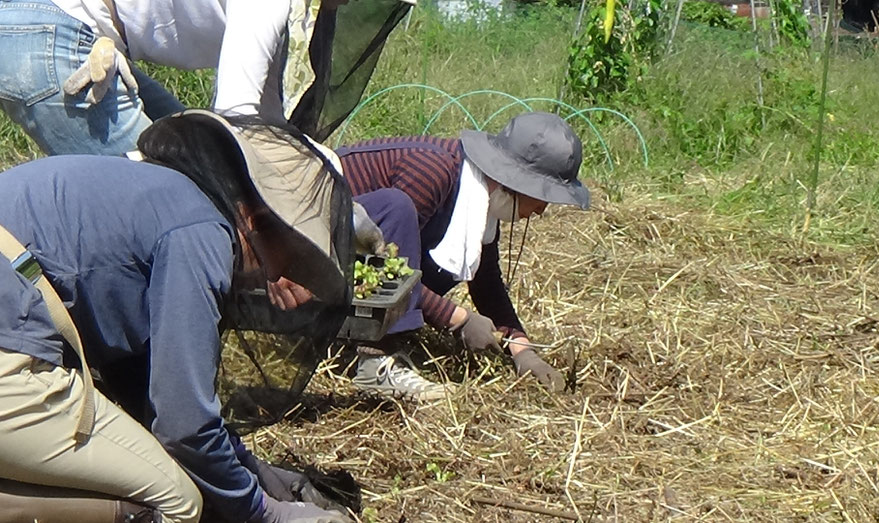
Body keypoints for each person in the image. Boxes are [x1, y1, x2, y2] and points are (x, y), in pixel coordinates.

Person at [0, 110, 365, 522]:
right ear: (255, 220)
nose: (285, 278)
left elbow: (147, 389)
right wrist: (266, 514)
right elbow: (183, 427)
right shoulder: (200, 232)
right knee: (176, 503)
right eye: (295, 254)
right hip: (9, 350)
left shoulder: (164, 198)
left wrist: (251, 470)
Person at [338, 111, 590, 400]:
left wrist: (522, 350)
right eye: (543, 196)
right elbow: (381, 266)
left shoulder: (479, 199)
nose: (541, 211)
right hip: (310, 250)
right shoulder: (431, 171)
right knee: (398, 218)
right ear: (519, 182)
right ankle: (375, 363)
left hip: (345, 266)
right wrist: (456, 319)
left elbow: (487, 285)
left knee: (433, 266)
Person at [0, 0, 348, 155]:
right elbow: (234, 116)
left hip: (72, 30)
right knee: (172, 207)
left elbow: (267, 121)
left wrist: (328, 190)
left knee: (192, 153)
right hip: (48, 34)